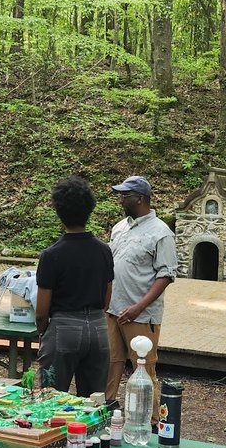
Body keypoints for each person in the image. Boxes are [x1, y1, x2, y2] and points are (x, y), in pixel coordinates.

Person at [34, 176, 115, 395]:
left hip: (63, 328)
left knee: (51, 398)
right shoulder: (104, 250)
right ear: (89, 210)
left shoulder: (51, 255)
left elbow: (42, 311)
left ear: (59, 212)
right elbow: (107, 298)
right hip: (98, 329)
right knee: (94, 402)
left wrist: (43, 333)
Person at [105, 175, 176, 420]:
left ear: (141, 198)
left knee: (143, 368)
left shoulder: (161, 233)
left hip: (141, 315)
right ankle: (106, 407)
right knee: (111, 362)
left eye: (126, 195)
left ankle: (152, 420)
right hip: (113, 310)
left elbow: (166, 275)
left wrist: (138, 307)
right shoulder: (119, 227)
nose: (121, 199)